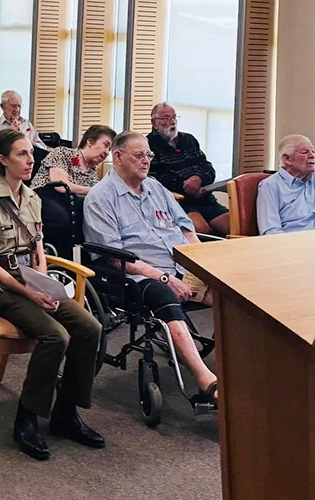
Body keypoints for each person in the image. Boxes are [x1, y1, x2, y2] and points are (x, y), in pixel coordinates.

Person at [0, 129, 103, 461]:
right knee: (56, 336)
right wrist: (29, 291)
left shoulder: (32, 198)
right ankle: (26, 418)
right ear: (2, 160)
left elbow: (38, 250)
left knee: (90, 328)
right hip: (0, 288)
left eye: (31, 153)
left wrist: (43, 284)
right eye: (22, 154)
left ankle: (65, 413)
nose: (31, 160)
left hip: (31, 281)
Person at [83, 131, 218, 401]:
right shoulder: (100, 197)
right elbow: (115, 257)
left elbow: (185, 227)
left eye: (148, 155)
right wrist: (164, 277)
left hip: (180, 264)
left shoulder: (155, 187)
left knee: (230, 295)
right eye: (139, 155)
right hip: (137, 275)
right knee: (164, 296)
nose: (146, 160)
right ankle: (205, 380)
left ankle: (239, 363)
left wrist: (202, 263)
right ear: (118, 157)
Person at [31, 125, 115, 259]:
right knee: (63, 221)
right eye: (105, 145)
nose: (106, 152)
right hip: (45, 195)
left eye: (109, 149)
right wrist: (95, 190)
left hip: (73, 204)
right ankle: (58, 260)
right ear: (90, 142)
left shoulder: (92, 174)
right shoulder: (62, 152)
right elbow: (61, 186)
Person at [147, 102, 229, 236]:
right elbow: (155, 180)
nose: (172, 122)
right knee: (201, 229)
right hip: (178, 202)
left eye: (174, 117)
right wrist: (187, 186)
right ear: (154, 123)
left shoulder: (188, 140)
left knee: (233, 226)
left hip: (205, 199)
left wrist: (199, 179)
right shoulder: (148, 146)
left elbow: (207, 168)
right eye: (166, 118)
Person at [256, 134, 315, 235]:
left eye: (313, 151)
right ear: (287, 159)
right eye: (304, 152)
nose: (312, 155)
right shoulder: (270, 186)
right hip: (295, 242)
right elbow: (271, 232)